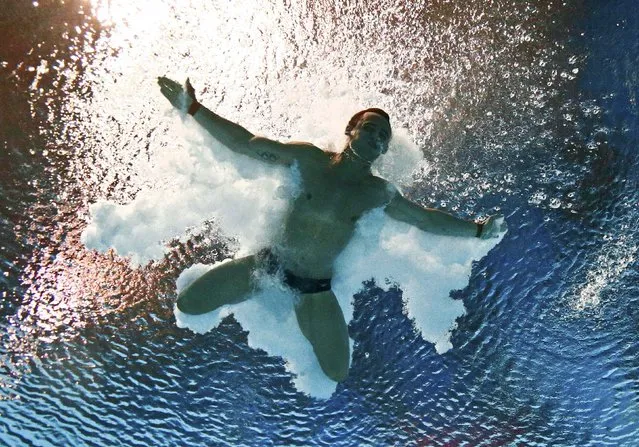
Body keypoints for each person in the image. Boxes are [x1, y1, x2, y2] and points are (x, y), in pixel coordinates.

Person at [157, 76, 504, 382]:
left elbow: (426, 218)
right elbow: (245, 143)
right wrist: (194, 108)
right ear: (351, 131)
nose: (376, 138)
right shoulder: (309, 159)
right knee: (189, 304)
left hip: (314, 289)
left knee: (336, 372)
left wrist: (476, 231)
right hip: (268, 264)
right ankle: (258, 297)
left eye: (383, 136)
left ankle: (291, 318)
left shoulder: (376, 193)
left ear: (384, 149)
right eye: (369, 128)